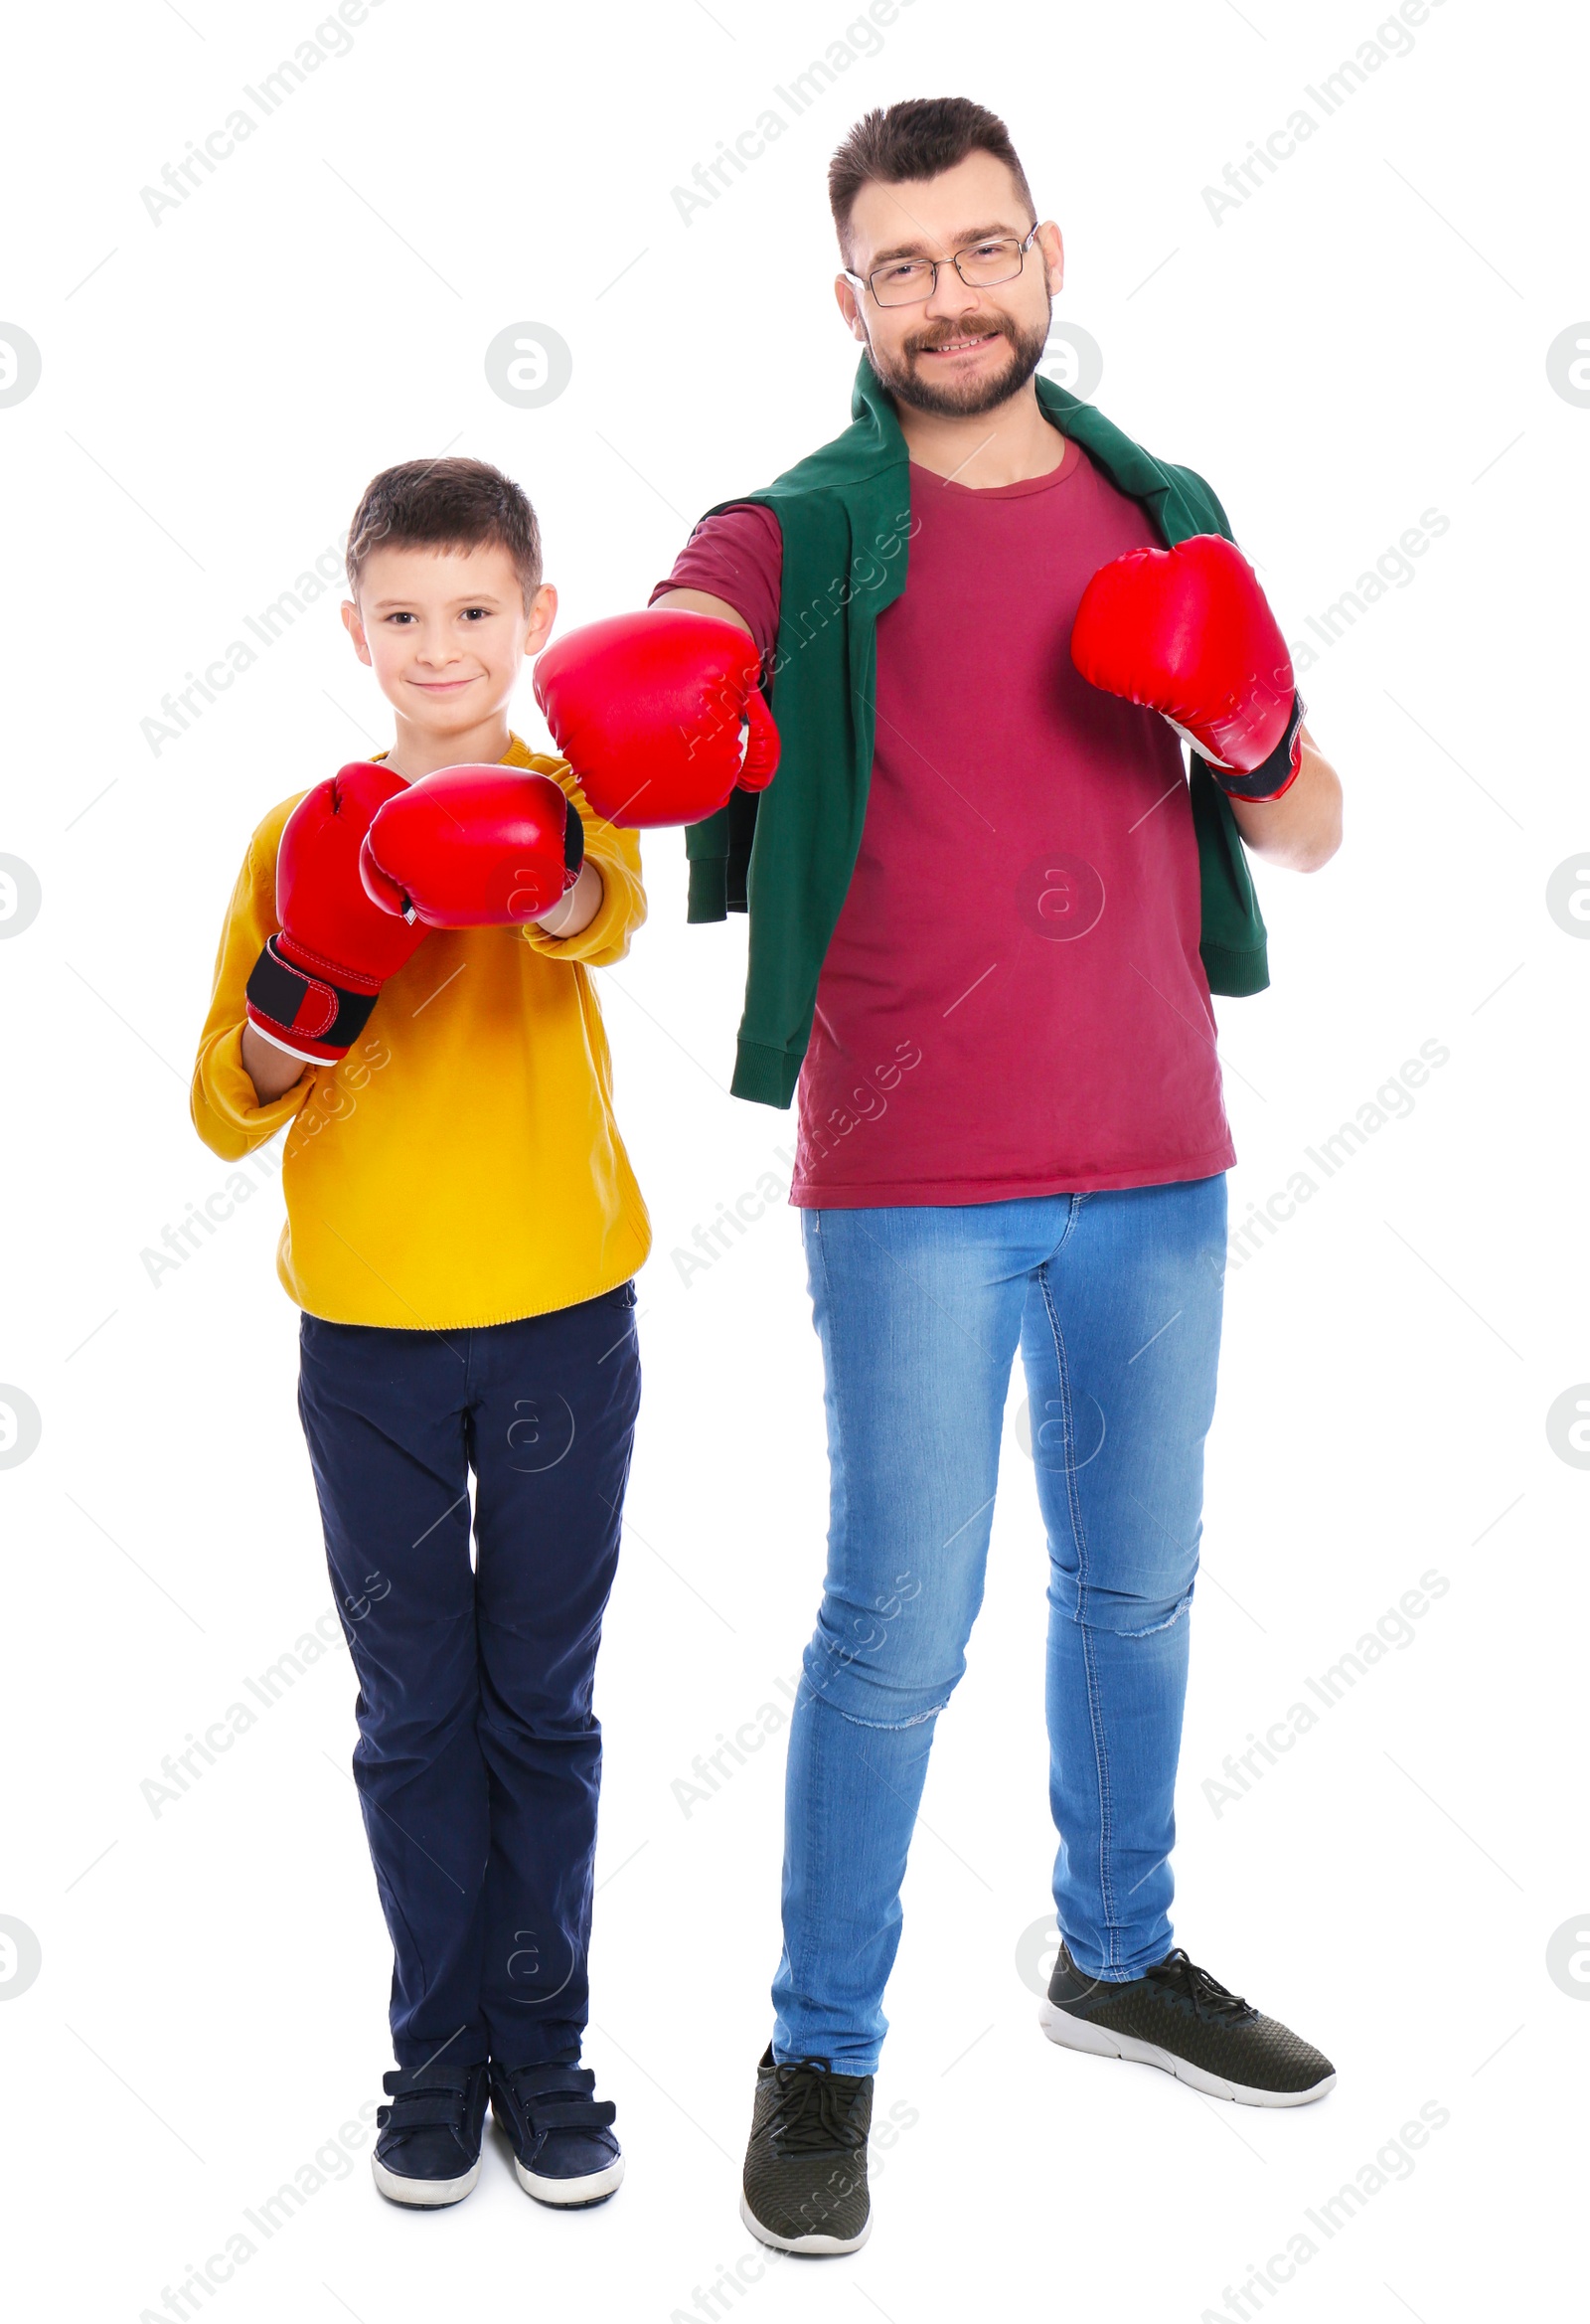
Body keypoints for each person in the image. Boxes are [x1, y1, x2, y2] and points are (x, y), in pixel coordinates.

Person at [531, 95, 1346, 2255]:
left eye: (981, 250)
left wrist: (1252, 724)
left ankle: (1116, 1944)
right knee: (894, 1628)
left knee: (1139, 1589)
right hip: (907, 1182)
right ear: (850, 298)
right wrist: (678, 671)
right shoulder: (794, 527)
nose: (951, 294)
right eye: (904, 265)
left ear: (1043, 253)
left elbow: (1307, 823)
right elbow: (669, 627)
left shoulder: (1156, 507)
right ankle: (823, 2049)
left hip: (1159, 1154)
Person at [189, 458, 649, 2212]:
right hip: (370, 1334)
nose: (439, 644)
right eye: (404, 615)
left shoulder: (573, 803)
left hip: (557, 1319)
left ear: (536, 617)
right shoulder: (298, 828)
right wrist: (317, 981)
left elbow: (603, 919)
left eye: (476, 611)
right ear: (355, 629)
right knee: (410, 1712)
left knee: (541, 1702)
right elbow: (224, 1103)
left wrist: (528, 879)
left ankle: (546, 2059)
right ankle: (433, 2063)